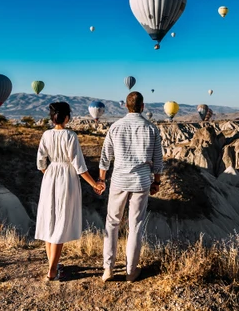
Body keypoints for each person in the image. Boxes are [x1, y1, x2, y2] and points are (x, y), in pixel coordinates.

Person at [35, 102, 105, 281]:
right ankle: (52, 270)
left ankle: (53, 264)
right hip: (67, 177)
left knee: (50, 220)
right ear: (67, 117)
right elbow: (79, 166)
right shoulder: (70, 135)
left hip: (50, 177)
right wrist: (94, 184)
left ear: (52, 117)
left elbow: (41, 162)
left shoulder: (45, 134)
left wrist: (50, 173)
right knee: (61, 222)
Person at [98, 91, 163, 282]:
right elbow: (158, 160)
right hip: (141, 182)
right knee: (135, 226)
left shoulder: (115, 127)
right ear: (142, 107)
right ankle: (130, 271)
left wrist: (101, 180)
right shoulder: (151, 129)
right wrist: (156, 182)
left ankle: (108, 269)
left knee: (112, 223)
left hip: (119, 180)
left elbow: (105, 157)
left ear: (126, 106)